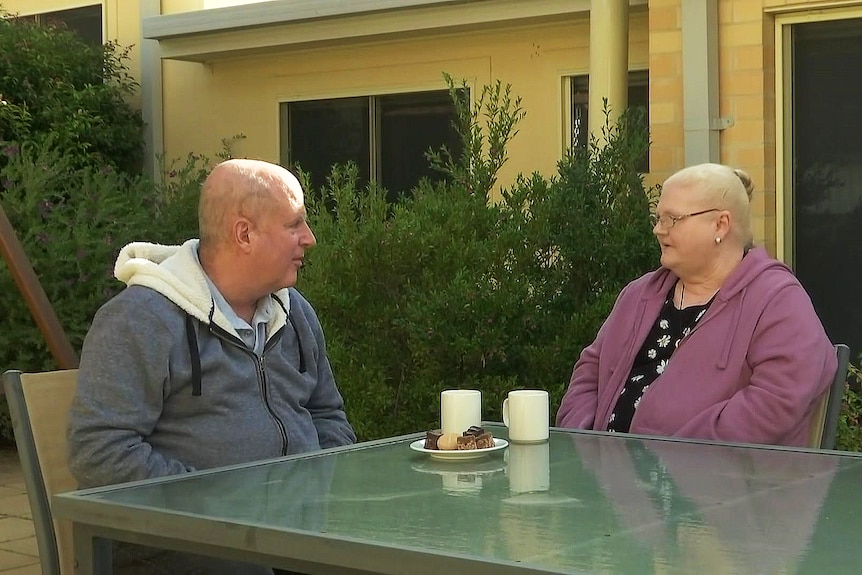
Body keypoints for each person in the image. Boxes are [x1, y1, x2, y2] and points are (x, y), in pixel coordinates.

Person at [68, 158, 355, 573]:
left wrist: (313, 497)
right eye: (294, 224)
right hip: (177, 542)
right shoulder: (142, 318)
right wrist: (217, 501)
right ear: (244, 233)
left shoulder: (296, 315)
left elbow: (328, 415)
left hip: (292, 533)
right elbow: (99, 452)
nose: (308, 238)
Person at [556, 163, 836, 447]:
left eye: (672, 219)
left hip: (718, 485)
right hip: (607, 479)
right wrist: (583, 443)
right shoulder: (638, 295)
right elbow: (590, 371)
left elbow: (774, 404)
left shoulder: (778, 301)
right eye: (657, 218)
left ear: (721, 225)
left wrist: (664, 463)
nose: (658, 230)